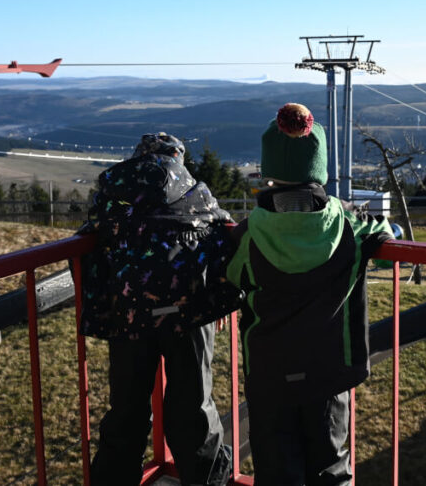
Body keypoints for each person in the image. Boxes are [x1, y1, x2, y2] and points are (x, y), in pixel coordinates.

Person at [226, 103, 393, 485]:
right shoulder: (349, 223)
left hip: (269, 372)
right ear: (319, 168)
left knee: (275, 469)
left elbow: (233, 275)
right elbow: (386, 236)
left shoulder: (250, 233)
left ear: (270, 171)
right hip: (330, 370)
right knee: (330, 468)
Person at [79, 133, 241, 486]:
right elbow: (220, 225)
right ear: (177, 157)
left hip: (129, 309)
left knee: (127, 408)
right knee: (193, 405)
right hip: (188, 311)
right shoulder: (193, 188)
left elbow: (94, 230)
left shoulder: (116, 188)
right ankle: (205, 479)